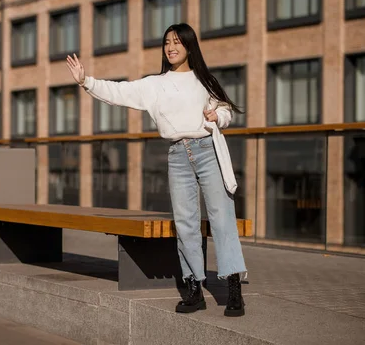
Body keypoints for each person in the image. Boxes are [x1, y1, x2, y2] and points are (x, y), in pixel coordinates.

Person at [66, 23, 247, 317]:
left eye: (176, 42)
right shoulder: (155, 84)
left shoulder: (205, 80)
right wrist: (86, 81)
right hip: (178, 155)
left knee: (222, 218)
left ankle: (234, 289)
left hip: (207, 151)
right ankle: (194, 288)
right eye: (166, 43)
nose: (171, 47)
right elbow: (118, 92)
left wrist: (218, 115)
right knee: (185, 223)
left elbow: (225, 110)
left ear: (189, 46)